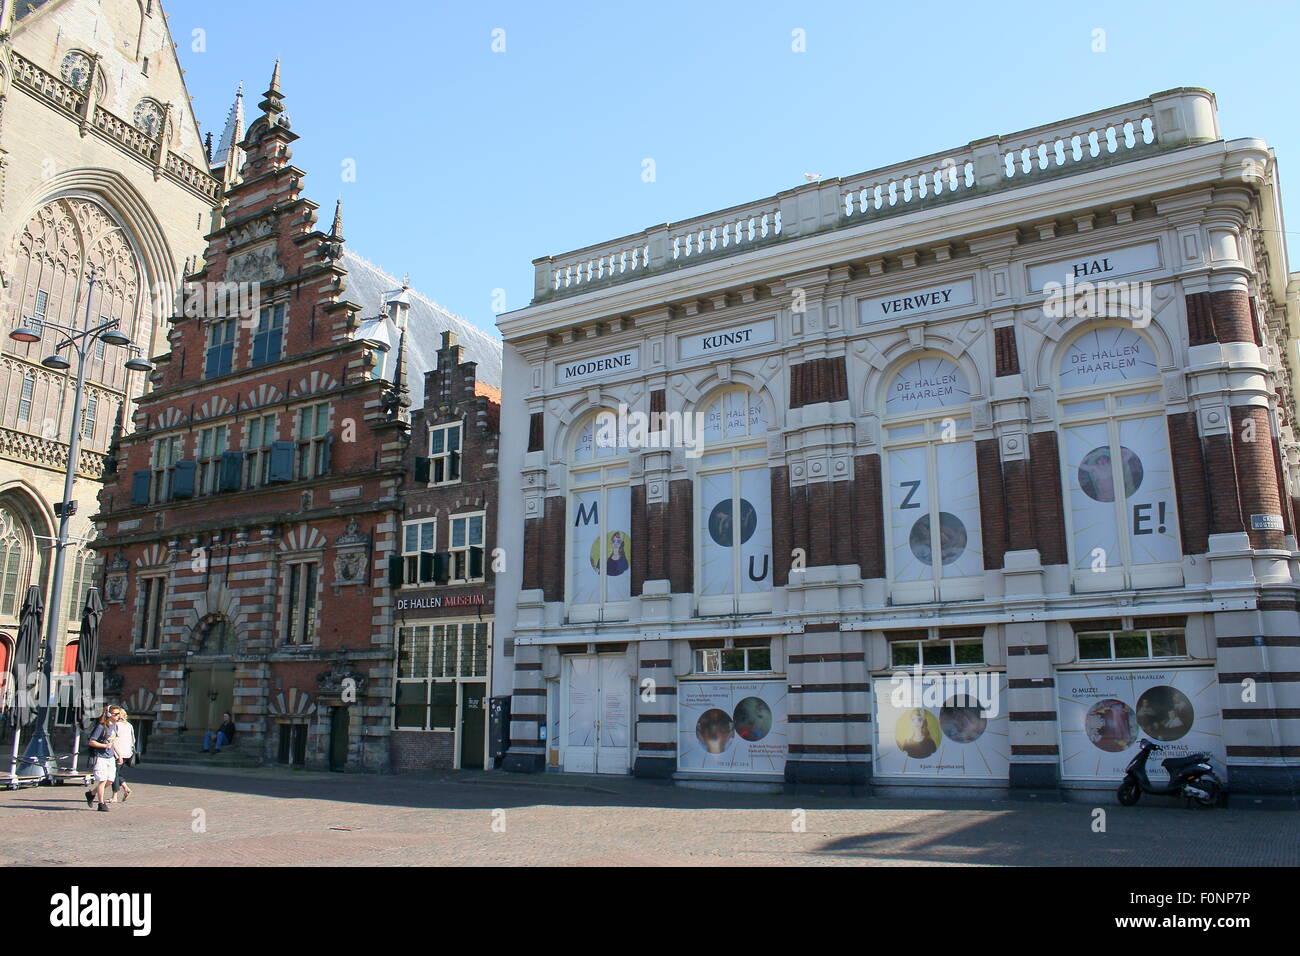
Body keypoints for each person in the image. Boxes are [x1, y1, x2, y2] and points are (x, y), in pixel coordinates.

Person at [83, 707, 117, 811]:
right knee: (102, 780)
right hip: (100, 757)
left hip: (110, 757)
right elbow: (91, 741)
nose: (118, 716)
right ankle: (101, 804)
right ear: (109, 714)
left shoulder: (114, 726)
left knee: (110, 780)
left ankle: (91, 794)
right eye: (116, 714)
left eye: (119, 714)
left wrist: (118, 755)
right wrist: (104, 746)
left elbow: (114, 742)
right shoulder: (101, 726)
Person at [109, 706, 134, 803]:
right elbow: (134, 740)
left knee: (114, 774)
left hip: (118, 753)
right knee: (118, 772)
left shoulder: (116, 725)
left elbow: (112, 738)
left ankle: (114, 796)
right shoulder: (129, 725)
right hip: (127, 753)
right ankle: (126, 789)